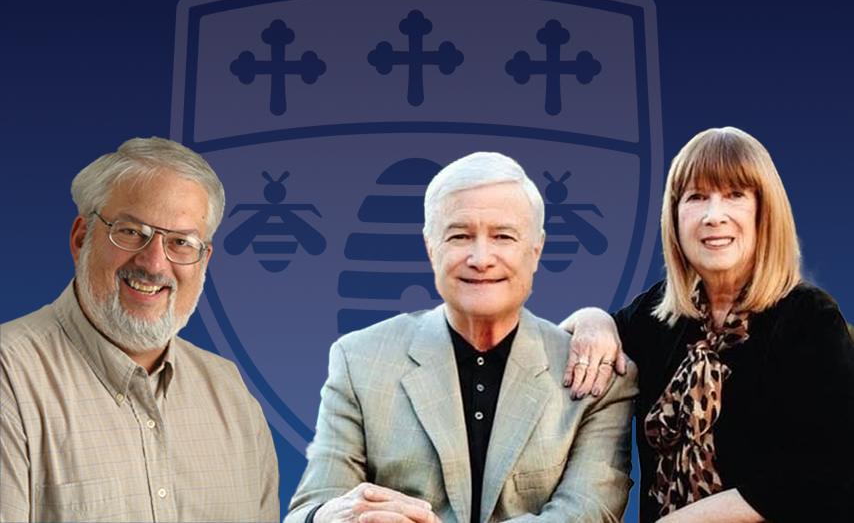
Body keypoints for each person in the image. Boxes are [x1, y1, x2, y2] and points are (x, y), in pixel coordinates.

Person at [286, 152, 639, 523]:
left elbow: (589, 513)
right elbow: (309, 508)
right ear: (430, 247)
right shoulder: (359, 360)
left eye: (503, 236)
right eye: (460, 236)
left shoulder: (596, 376)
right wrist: (334, 517)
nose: (481, 258)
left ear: (536, 250)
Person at [561, 127, 854, 523]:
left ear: (763, 213)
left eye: (735, 195)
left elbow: (830, 471)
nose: (714, 216)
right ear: (675, 216)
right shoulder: (658, 314)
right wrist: (592, 319)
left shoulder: (809, 319)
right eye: (697, 197)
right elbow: (583, 340)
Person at [0, 137, 279, 522]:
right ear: (82, 239)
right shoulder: (10, 377)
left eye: (181, 242)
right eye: (131, 232)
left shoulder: (231, 395)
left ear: (203, 260)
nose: (154, 264)